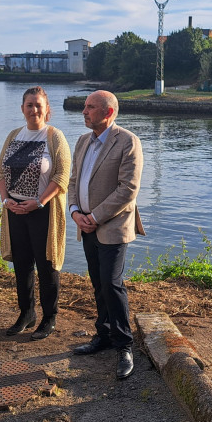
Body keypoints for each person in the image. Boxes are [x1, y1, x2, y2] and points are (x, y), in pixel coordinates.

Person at [68, 90, 144, 380]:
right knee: (98, 283)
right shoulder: (82, 141)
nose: (84, 111)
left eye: (90, 107)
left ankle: (124, 346)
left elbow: (128, 189)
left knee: (112, 284)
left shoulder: (127, 141)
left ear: (108, 112)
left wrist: (95, 217)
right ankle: (104, 334)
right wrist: (75, 211)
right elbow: (74, 180)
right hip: (85, 223)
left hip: (112, 226)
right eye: (85, 107)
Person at [0, 87, 70, 340]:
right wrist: (6, 200)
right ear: (22, 108)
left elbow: (61, 177)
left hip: (43, 211)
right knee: (22, 265)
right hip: (15, 209)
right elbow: (0, 174)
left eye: (38, 105)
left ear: (47, 109)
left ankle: (50, 317)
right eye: (29, 105)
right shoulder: (14, 135)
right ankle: (27, 313)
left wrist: (38, 202)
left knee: (47, 265)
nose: (34, 109)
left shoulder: (54, 137)